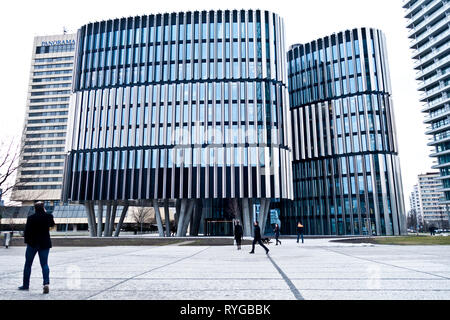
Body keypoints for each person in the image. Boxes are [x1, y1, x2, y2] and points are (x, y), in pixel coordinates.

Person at [18, 201, 55, 294]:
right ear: (43, 208)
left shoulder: (31, 218)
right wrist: (45, 213)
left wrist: (28, 242)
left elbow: (26, 232)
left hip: (32, 244)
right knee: (44, 264)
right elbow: (52, 225)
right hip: (44, 244)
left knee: (28, 264)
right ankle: (46, 283)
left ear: (35, 208)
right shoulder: (48, 216)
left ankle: (25, 285)